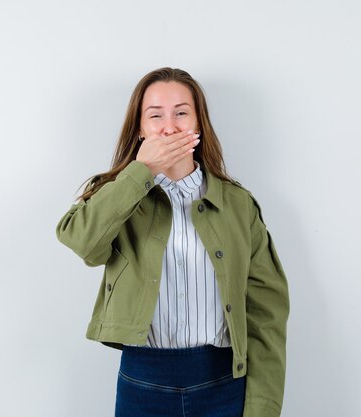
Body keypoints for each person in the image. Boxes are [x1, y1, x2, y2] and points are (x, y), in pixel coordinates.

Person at [56, 67, 289, 417]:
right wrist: (141, 171)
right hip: (143, 382)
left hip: (225, 383)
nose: (169, 127)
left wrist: (263, 409)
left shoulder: (238, 204)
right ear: (139, 129)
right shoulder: (117, 196)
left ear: (198, 124)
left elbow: (266, 313)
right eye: (155, 116)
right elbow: (83, 242)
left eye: (182, 113)